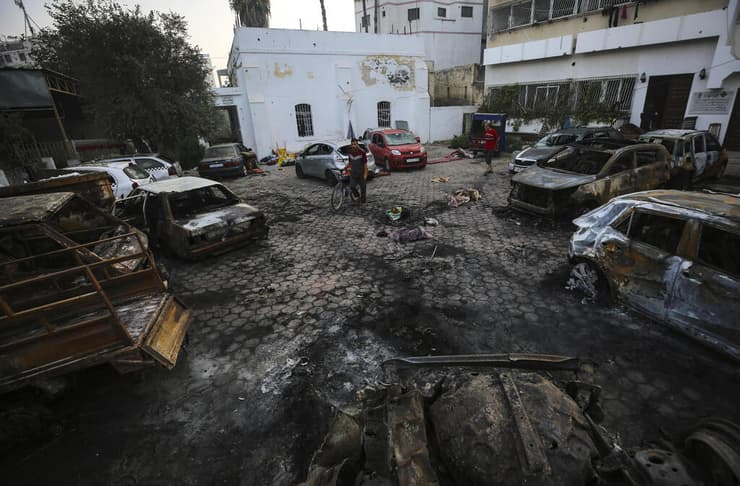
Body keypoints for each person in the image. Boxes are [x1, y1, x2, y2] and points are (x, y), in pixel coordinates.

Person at [346, 138, 368, 203]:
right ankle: (357, 196)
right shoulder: (350, 152)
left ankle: (363, 200)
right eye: (352, 144)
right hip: (353, 173)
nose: (354, 145)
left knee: (363, 188)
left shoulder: (362, 152)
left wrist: (365, 174)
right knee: (352, 186)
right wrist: (346, 167)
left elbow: (365, 164)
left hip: (361, 173)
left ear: (357, 144)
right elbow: (350, 162)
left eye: (355, 144)